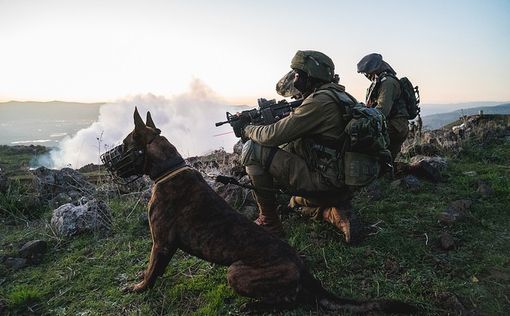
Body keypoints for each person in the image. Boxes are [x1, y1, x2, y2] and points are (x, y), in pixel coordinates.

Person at [234, 50, 361, 243]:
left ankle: (270, 222)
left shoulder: (319, 102)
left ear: (309, 75)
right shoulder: (342, 96)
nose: (294, 79)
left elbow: (272, 135)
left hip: (325, 182)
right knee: (293, 203)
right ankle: (332, 213)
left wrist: (247, 129)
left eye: (297, 74)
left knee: (252, 148)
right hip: (345, 182)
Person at [357, 53, 409, 162]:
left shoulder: (388, 83)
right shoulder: (380, 82)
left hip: (395, 126)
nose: (367, 76)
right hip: (391, 124)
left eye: (368, 73)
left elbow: (381, 111)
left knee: (359, 137)